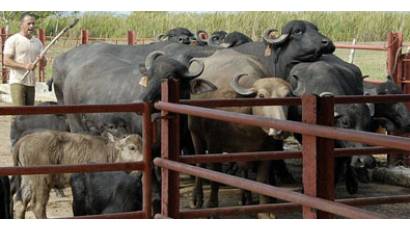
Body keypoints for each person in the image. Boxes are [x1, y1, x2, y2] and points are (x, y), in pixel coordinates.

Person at [3, 12, 46, 106]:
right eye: (29, 24)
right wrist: (25, 66)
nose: (31, 26)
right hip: (18, 82)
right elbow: (6, 61)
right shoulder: (13, 40)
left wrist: (42, 60)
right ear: (21, 24)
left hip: (31, 84)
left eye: (33, 24)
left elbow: (44, 64)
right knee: (19, 114)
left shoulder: (38, 42)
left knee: (29, 115)